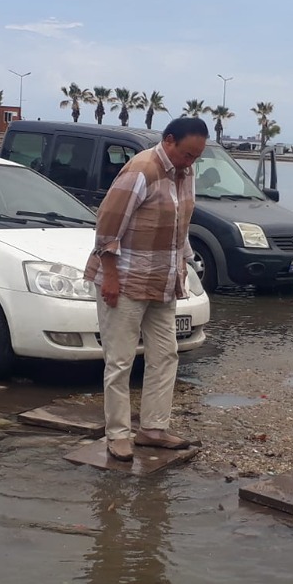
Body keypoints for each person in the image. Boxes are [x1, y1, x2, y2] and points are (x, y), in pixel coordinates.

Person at [84, 116, 209, 463]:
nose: (191, 161)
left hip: (163, 281)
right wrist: (109, 276)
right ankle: (118, 435)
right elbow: (107, 226)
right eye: (187, 154)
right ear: (169, 141)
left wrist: (187, 266)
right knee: (120, 361)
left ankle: (153, 429)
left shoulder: (186, 174)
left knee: (165, 355)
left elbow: (179, 227)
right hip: (124, 280)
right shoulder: (141, 170)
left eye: (197, 156)